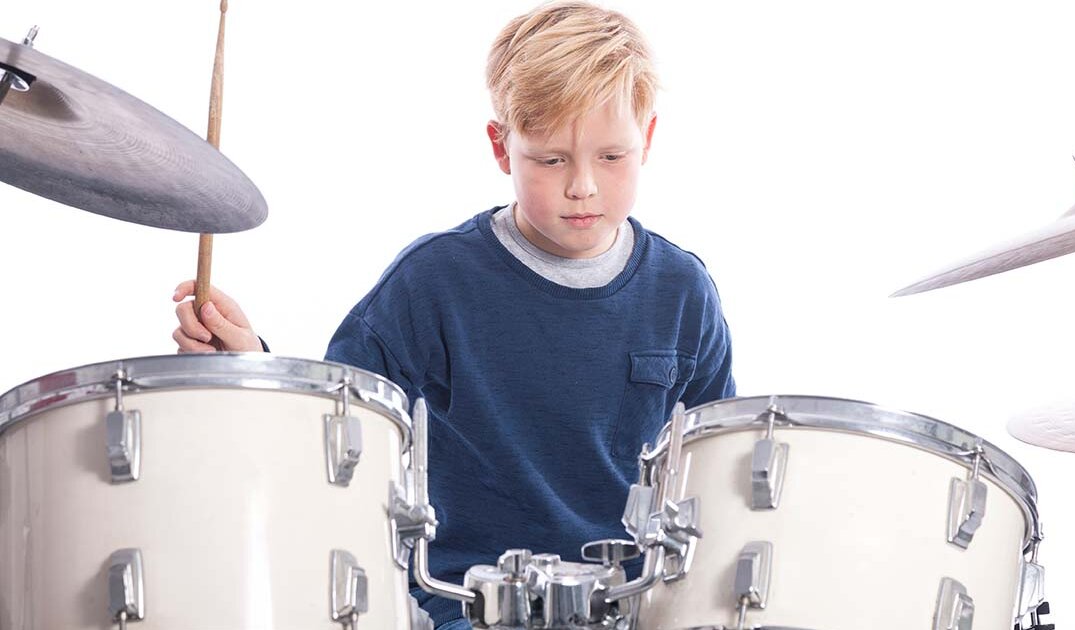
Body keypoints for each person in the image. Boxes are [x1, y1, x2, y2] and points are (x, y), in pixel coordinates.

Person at [171, 2, 735, 627]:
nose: (583, 186)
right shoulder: (433, 282)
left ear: (647, 139)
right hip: (464, 605)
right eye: (551, 159)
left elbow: (717, 483)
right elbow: (337, 429)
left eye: (611, 157)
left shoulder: (683, 292)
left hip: (628, 608)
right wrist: (251, 362)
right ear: (502, 146)